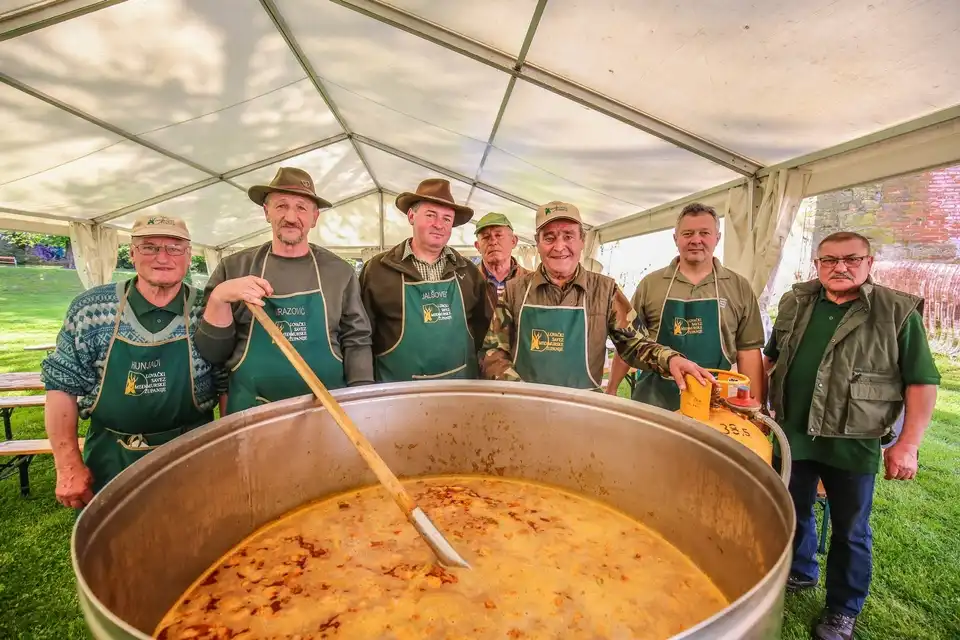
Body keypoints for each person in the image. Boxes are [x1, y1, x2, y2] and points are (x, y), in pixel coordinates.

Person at [764, 231, 940, 640]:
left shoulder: (897, 311)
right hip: (793, 431)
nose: (839, 267)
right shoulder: (796, 301)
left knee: (851, 528)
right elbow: (772, 357)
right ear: (817, 264)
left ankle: (843, 608)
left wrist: (908, 444)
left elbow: (922, 382)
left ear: (869, 263)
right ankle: (800, 571)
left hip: (853, 439)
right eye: (828, 260)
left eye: (850, 259)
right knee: (792, 511)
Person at [41, 215, 218, 508]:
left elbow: (226, 382)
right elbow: (61, 385)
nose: (163, 257)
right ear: (132, 254)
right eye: (149, 247)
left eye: (174, 248)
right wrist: (68, 465)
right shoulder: (90, 309)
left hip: (191, 454)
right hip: (112, 458)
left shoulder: (208, 308)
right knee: (114, 549)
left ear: (189, 256)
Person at [195, 167, 373, 413]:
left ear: (314, 217)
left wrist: (362, 397)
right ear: (266, 212)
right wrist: (220, 297)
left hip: (328, 409)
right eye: (281, 206)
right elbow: (212, 353)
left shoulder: (339, 272)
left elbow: (357, 340)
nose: (291, 216)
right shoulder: (234, 267)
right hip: (252, 410)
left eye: (301, 207)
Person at [481, 201, 712, 390]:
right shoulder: (514, 290)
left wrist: (670, 358)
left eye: (569, 236)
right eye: (549, 237)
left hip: (585, 411)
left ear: (582, 241)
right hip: (526, 408)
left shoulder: (605, 290)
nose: (559, 247)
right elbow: (492, 353)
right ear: (538, 244)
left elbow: (636, 345)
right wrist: (519, 391)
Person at [605, 202, 765, 408]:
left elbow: (749, 351)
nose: (696, 240)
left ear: (717, 238)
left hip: (714, 400)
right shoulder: (651, 284)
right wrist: (611, 389)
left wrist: (754, 404)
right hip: (654, 400)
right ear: (676, 239)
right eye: (688, 233)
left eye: (704, 233)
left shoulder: (738, 286)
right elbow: (628, 341)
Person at [360, 179, 489, 381]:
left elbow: (483, 329)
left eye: (447, 219)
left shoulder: (469, 273)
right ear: (411, 216)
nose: (439, 225)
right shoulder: (377, 271)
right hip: (398, 395)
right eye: (431, 215)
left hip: (460, 391)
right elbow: (360, 337)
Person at [474, 211, 530, 310]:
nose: (493, 241)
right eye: (486, 237)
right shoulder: (467, 282)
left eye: (499, 235)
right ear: (477, 246)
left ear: (513, 241)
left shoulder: (530, 281)